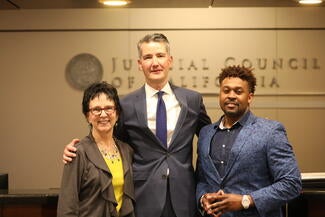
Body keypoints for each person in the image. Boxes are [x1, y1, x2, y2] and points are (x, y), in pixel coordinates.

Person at [63, 33, 212, 217]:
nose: (154, 62)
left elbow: (209, 141)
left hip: (184, 196)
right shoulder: (126, 105)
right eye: (148, 57)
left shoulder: (192, 100)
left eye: (160, 55)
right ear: (140, 64)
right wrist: (78, 150)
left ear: (170, 60)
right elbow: (108, 139)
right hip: (143, 198)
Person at [196, 65, 302, 217]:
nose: (231, 95)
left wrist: (246, 200)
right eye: (226, 90)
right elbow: (201, 180)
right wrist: (202, 198)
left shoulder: (270, 131)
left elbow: (292, 184)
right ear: (220, 94)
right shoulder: (205, 134)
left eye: (238, 91)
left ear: (250, 97)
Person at [57, 81, 135, 217]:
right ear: (87, 116)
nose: (103, 114)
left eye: (109, 108)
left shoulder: (126, 150)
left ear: (117, 114)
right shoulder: (78, 152)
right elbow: (67, 207)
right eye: (96, 109)